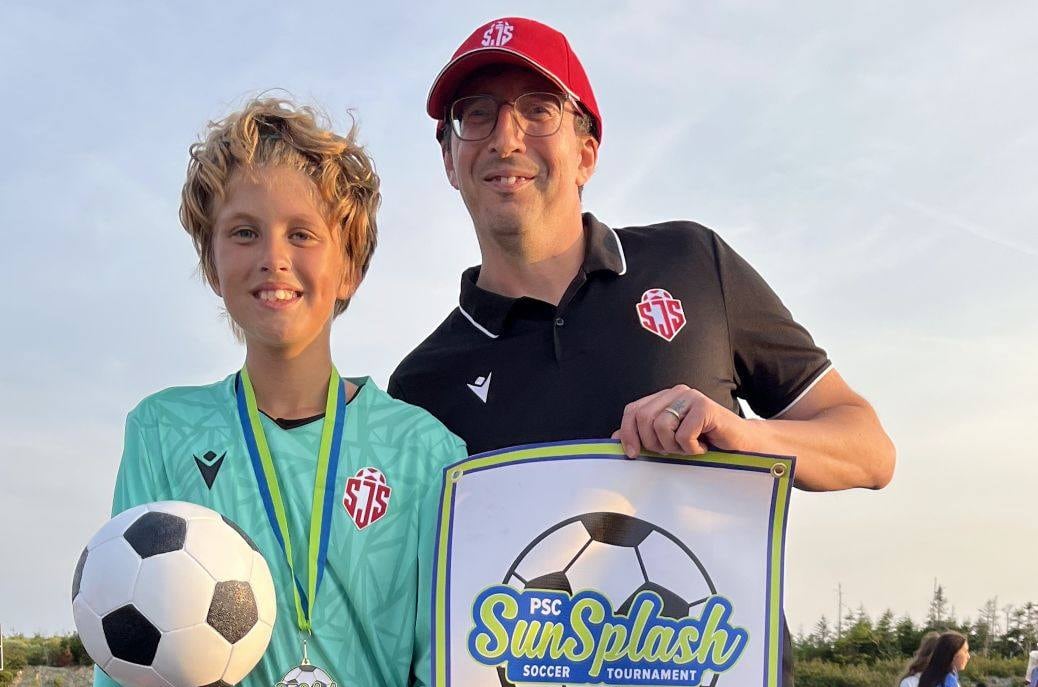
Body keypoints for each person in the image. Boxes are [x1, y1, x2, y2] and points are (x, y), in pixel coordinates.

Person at [388, 16, 896, 685]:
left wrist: (740, 434)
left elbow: (869, 449)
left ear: (587, 152)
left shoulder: (692, 262)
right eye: (474, 115)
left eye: (538, 109)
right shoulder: (421, 386)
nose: (505, 137)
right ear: (450, 159)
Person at [95, 98, 465, 687]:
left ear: (351, 267)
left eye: (302, 234)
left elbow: (442, 659)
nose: (273, 259)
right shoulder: (162, 431)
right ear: (212, 263)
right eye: (244, 232)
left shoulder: (427, 451)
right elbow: (128, 657)